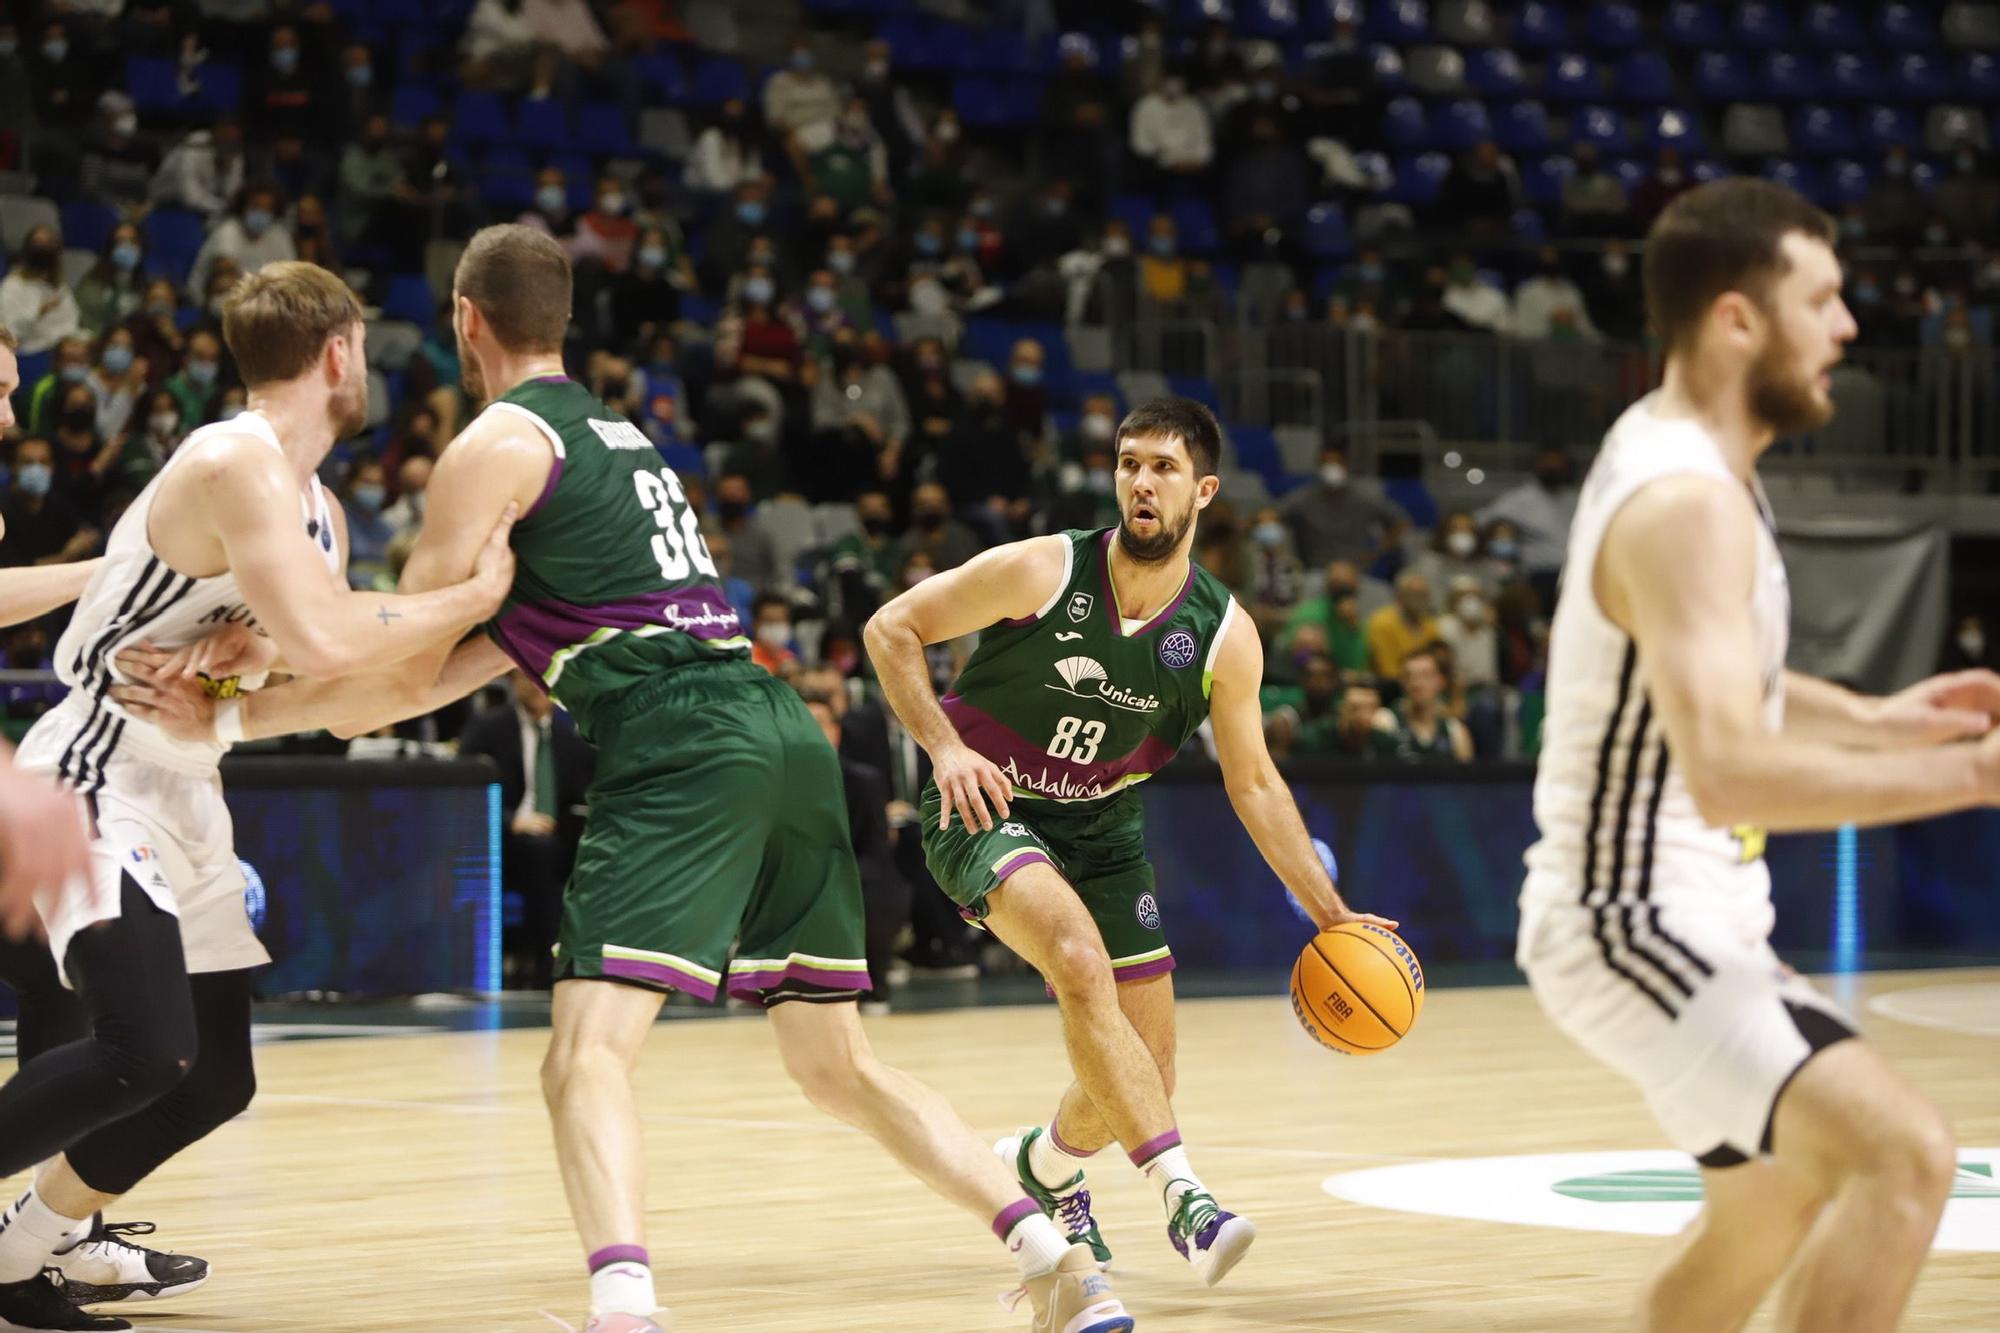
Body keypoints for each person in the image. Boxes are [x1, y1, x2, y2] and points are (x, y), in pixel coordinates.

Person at [113, 226, 1126, 1333]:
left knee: (582, 1056)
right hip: (780, 728)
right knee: (837, 1065)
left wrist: (228, 702)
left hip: (677, 736)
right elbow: (426, 676)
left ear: (465, 320)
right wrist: (249, 700)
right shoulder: (625, 439)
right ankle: (1050, 1254)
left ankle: (623, 1311)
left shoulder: (490, 447)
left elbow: (382, 670)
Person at [1518, 178, 2000, 1332]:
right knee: (1902, 1158)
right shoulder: (1686, 498)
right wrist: (1975, 775)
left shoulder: (1684, 459)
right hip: (1628, 914)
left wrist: (1875, 721)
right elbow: (1730, 770)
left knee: (1773, 1201)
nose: (1845, 327)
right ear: (1737, 317)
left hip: (1681, 911)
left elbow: (1716, 672)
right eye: (1821, 299)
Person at [0, 271, 517, 1332]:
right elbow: (334, 643)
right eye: (364, 349)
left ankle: (23, 1252)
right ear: (339, 351)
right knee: (145, 1045)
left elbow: (341, 681)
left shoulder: (317, 511)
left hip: (185, 782)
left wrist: (509, 639)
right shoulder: (232, 458)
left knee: (213, 1079)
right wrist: (476, 595)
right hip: (96, 766)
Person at [864, 396, 1392, 1282]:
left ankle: (1044, 1165)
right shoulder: (1042, 569)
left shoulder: (1225, 635)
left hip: (1104, 824)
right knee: (1077, 957)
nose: (1141, 481)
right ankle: (1187, 1197)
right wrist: (945, 749)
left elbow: (1254, 782)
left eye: (1164, 467)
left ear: (1205, 490)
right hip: (991, 804)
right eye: (1128, 463)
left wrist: (1334, 913)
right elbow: (892, 628)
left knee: (1148, 1068)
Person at [459, 670, 596, 988]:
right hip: (501, 837)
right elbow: (466, 791)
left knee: (601, 855)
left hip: (561, 835)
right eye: (528, 677)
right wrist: (512, 821)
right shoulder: (489, 727)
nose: (538, 686)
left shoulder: (572, 732)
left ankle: (601, 959)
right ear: (513, 682)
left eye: (544, 678)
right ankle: (548, 962)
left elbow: (586, 792)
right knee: (540, 854)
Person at [1372, 647, 1472, 762]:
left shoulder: (1455, 731)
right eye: (1409, 676)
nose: (1416, 683)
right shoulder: (1384, 722)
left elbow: (1467, 778)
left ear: (1441, 681)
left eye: (1425, 675)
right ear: (1402, 683)